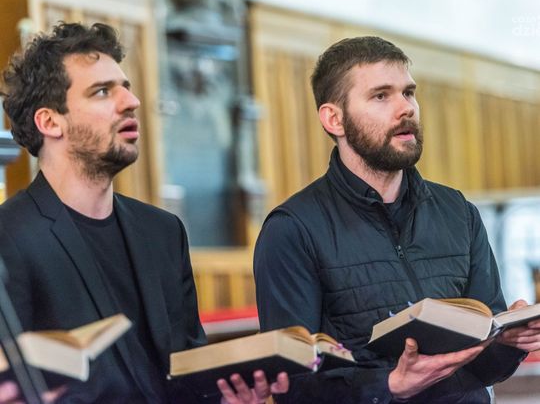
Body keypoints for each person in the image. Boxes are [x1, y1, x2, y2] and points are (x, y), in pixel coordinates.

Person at [0, 22, 287, 403]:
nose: (130, 102)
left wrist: (226, 398)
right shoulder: (10, 236)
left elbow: (188, 375)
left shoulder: (163, 231)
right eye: (103, 91)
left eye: (126, 87)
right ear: (50, 122)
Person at [254, 36, 540, 403]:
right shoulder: (292, 229)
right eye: (381, 96)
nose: (405, 108)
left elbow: (483, 370)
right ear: (334, 118)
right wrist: (389, 385)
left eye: (408, 93)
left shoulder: (458, 212)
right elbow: (291, 387)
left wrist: (510, 344)